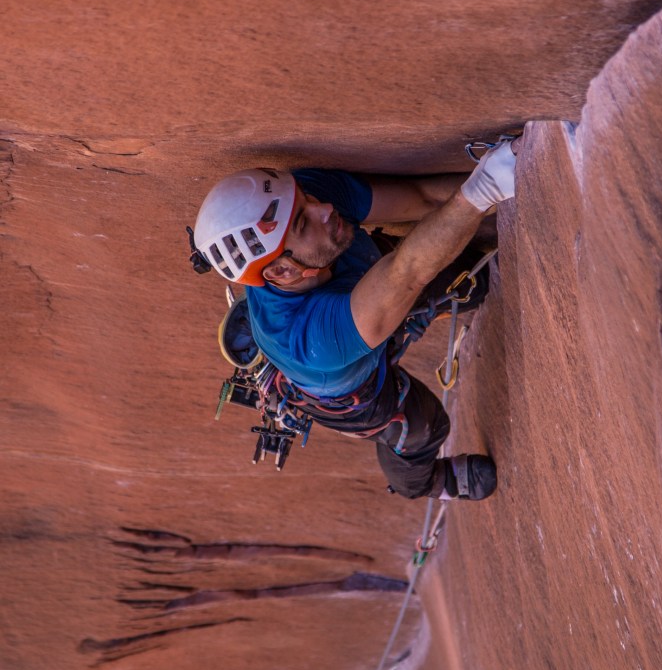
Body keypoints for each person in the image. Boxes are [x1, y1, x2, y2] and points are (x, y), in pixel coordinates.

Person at [188, 136, 521, 500]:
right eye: (304, 222)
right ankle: (428, 484)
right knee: (421, 428)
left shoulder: (296, 206)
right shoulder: (314, 342)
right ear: (282, 272)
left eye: (306, 200)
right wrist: (485, 188)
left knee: (471, 282)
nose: (325, 208)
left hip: (359, 288)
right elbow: (405, 272)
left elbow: (421, 197)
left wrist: (514, 170)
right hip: (348, 387)